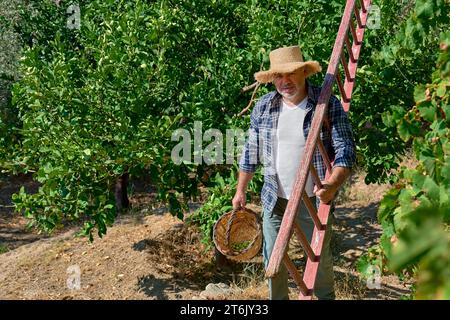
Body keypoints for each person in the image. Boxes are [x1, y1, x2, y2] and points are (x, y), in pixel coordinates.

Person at [232, 45, 356, 300]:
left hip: (313, 199)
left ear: (303, 73)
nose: (284, 81)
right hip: (275, 200)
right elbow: (251, 152)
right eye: (278, 75)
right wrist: (240, 190)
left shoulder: (325, 104)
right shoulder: (265, 106)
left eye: (290, 74)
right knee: (273, 263)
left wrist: (332, 185)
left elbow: (346, 150)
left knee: (319, 264)